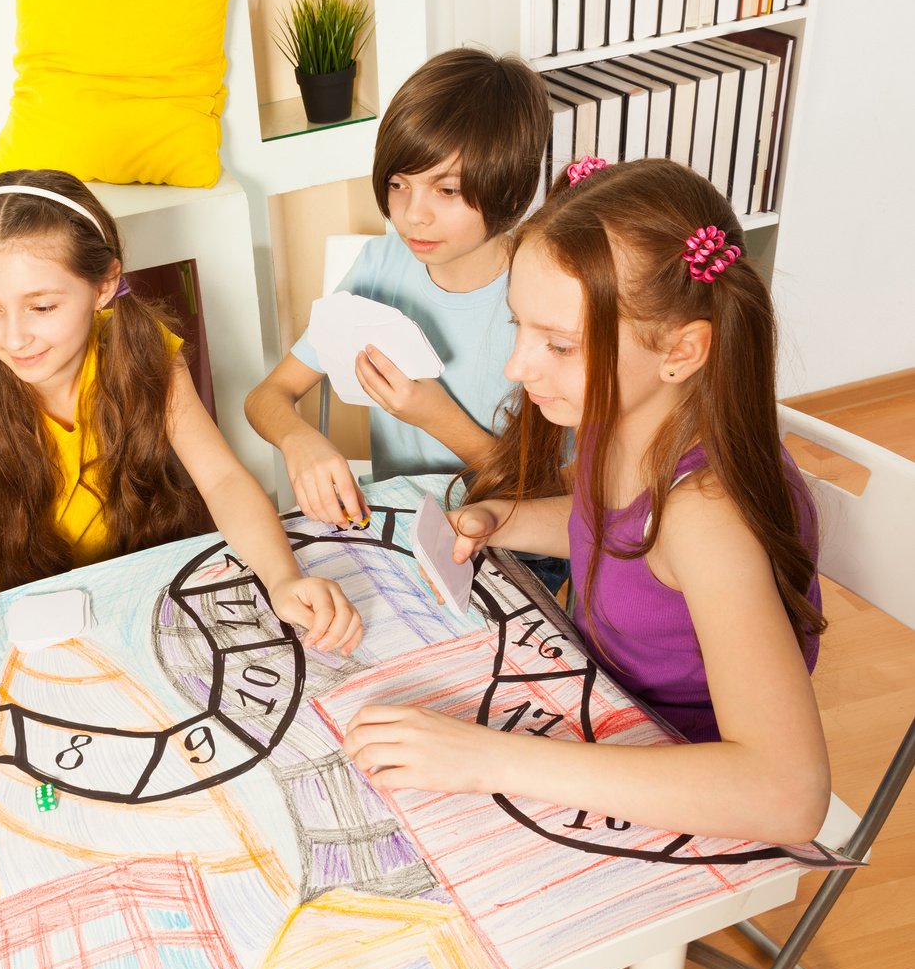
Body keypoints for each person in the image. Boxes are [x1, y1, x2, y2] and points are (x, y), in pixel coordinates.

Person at [344, 158, 830, 846]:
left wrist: (484, 759)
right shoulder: (619, 416)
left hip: (682, 788)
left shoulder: (705, 516)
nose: (517, 366)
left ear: (680, 351)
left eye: (558, 344)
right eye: (518, 327)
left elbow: (789, 796)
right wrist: (500, 520)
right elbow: (610, 529)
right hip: (598, 708)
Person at [0, 169, 363, 696]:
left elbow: (223, 480)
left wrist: (283, 579)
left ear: (105, 284)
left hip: (128, 593)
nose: (15, 336)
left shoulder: (146, 353)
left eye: (42, 307)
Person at [245, 47, 551, 528]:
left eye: (446, 190)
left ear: (510, 189)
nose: (412, 215)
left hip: (510, 537)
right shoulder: (380, 266)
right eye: (398, 183)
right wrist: (298, 439)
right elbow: (267, 395)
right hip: (400, 525)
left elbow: (557, 495)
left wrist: (434, 416)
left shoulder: (547, 299)